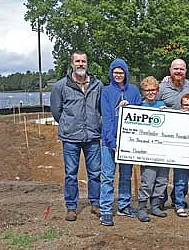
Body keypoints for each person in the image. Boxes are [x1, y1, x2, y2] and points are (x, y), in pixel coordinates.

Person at [50, 51, 103, 222]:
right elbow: (56, 111)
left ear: (87, 64)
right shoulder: (61, 86)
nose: (81, 64)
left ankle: (96, 204)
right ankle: (71, 207)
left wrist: (96, 123)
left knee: (95, 172)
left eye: (83, 61)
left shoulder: (97, 85)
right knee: (71, 173)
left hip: (93, 136)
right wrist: (68, 124)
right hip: (70, 137)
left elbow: (101, 109)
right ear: (72, 63)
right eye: (77, 61)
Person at [99, 58, 142, 226]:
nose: (118, 75)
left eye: (121, 72)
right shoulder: (107, 91)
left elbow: (139, 113)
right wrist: (111, 141)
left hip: (128, 141)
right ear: (111, 73)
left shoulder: (134, 91)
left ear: (126, 73)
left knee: (126, 175)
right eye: (115, 72)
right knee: (108, 176)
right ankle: (106, 210)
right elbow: (107, 117)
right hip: (110, 142)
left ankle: (124, 206)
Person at [158, 59, 189, 209]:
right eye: (176, 69)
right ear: (170, 70)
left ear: (186, 71)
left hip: (186, 140)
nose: (178, 72)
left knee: (181, 174)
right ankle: (160, 200)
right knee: (163, 172)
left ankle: (179, 200)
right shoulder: (161, 88)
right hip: (165, 138)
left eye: (181, 69)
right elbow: (152, 106)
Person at [136, 76, 169, 222]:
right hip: (148, 152)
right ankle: (142, 208)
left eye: (153, 90)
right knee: (148, 180)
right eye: (147, 90)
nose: (150, 93)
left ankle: (155, 206)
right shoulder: (139, 107)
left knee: (162, 179)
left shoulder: (163, 105)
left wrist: (167, 113)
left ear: (157, 91)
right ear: (143, 91)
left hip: (163, 151)